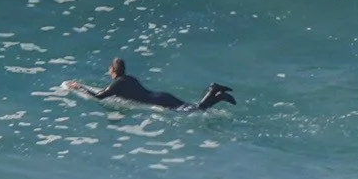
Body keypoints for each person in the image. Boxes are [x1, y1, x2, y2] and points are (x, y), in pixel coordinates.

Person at [65, 58, 234, 112]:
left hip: (159, 102)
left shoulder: (117, 84)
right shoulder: (129, 78)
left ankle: (213, 90)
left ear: (113, 70)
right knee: (193, 108)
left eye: (109, 68)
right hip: (161, 96)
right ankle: (218, 95)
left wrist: (79, 86)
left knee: (194, 111)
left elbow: (99, 96)